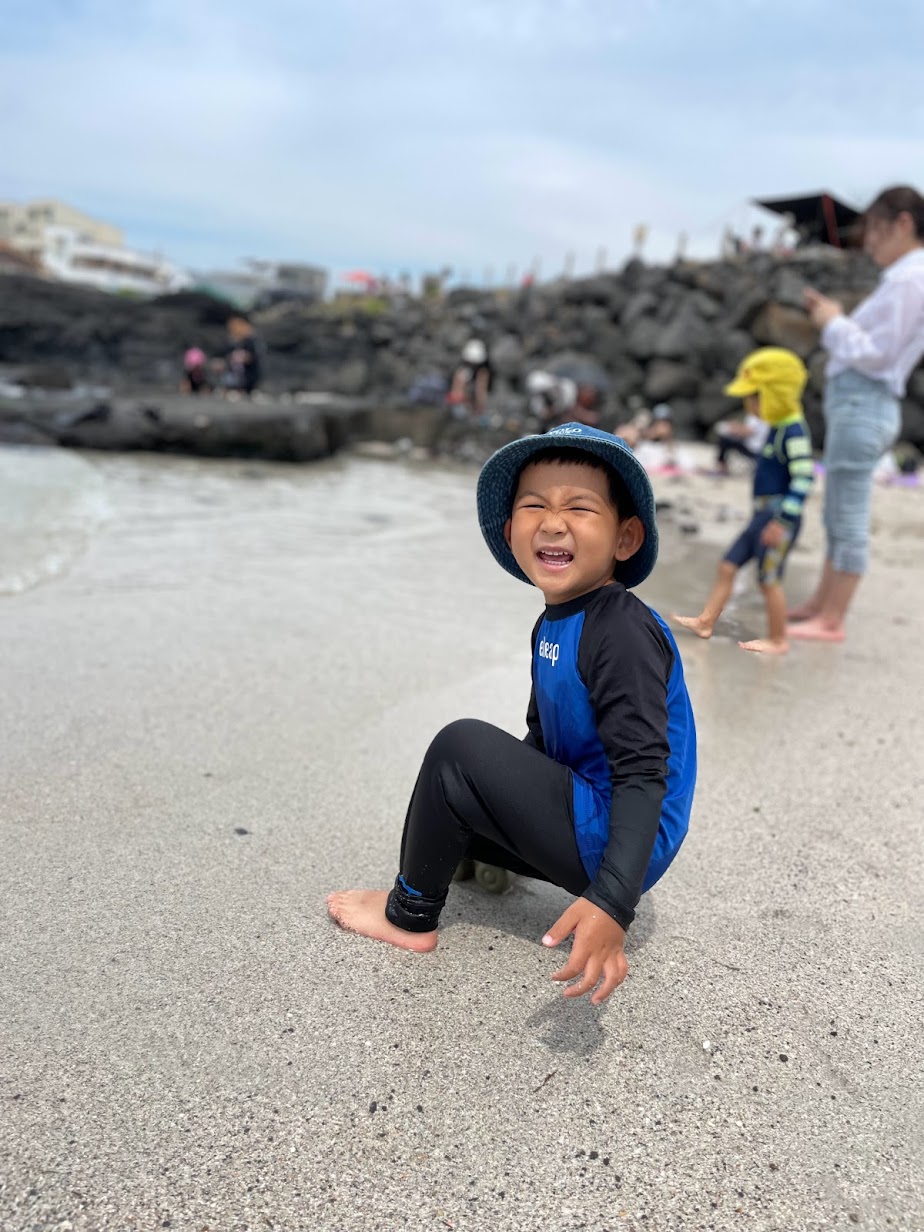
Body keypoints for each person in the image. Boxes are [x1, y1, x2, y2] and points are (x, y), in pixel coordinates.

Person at [327, 422, 697, 1004]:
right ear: (510, 531)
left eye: (580, 507)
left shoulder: (621, 631)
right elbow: (541, 741)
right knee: (457, 800)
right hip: (591, 816)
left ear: (625, 538)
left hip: (625, 835)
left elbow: (644, 773)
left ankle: (409, 916)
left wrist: (612, 902)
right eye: (534, 505)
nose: (553, 522)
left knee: (459, 746)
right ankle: (471, 862)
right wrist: (488, 810)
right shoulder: (554, 622)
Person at [788, 185, 924, 643]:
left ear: (903, 223)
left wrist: (832, 321)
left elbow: (878, 354)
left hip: (865, 402)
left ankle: (832, 618)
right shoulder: (905, 278)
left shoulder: (910, 278)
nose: (868, 242)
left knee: (846, 514)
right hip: (861, 404)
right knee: (837, 511)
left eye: (875, 230)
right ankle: (822, 605)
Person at [672, 348, 814, 655]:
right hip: (761, 517)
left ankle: (778, 639)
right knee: (728, 565)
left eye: (753, 397)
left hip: (778, 519)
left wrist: (782, 522)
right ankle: (706, 621)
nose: (749, 404)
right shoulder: (776, 428)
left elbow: (804, 478)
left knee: (769, 579)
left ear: (773, 394)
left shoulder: (793, 430)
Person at [218, 315, 262, 396]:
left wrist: (242, 357)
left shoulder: (251, 341)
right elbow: (224, 356)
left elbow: (253, 358)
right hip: (233, 375)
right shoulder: (231, 343)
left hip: (248, 376)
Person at [447, 339, 492, 417]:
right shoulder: (461, 371)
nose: (472, 366)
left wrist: (480, 406)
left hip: (475, 407)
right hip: (461, 405)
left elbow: (481, 392)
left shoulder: (482, 373)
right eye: (470, 363)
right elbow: (456, 394)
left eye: (475, 364)